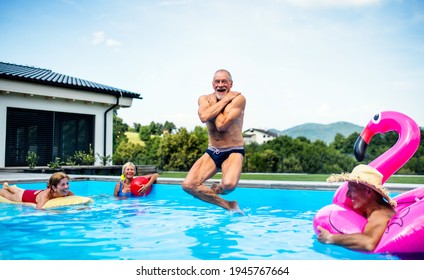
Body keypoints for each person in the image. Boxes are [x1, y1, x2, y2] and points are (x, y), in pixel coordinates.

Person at [182, 69, 246, 214]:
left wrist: (213, 107)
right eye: (217, 81)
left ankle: (216, 189)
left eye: (224, 81)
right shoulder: (203, 98)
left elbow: (221, 125)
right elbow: (203, 117)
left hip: (233, 150)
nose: (220, 85)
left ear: (231, 84)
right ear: (213, 84)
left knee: (229, 185)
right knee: (188, 185)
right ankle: (229, 205)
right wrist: (225, 100)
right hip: (213, 151)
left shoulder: (239, 99)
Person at [316, 164, 397, 252]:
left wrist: (329, 238)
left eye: (352, 189)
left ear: (368, 191)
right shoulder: (373, 210)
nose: (347, 195)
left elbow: (368, 243)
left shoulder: (380, 215)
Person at [0, 172, 75, 209]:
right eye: (63, 184)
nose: (66, 187)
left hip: (32, 192)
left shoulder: (68, 192)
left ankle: (7, 186)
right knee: (5, 193)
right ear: (54, 188)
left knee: (16, 189)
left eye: (67, 183)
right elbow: (39, 210)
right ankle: (6, 187)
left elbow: (78, 200)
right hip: (23, 196)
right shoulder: (45, 195)